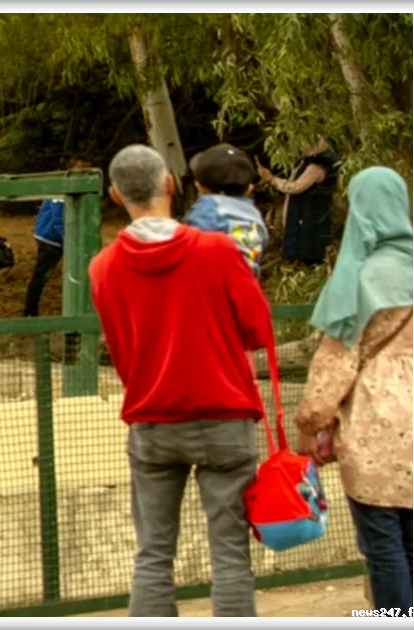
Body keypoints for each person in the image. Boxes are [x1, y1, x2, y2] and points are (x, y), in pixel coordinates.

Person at [90, 144, 276, 617]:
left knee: (153, 556)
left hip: (153, 418)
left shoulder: (103, 267)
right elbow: (257, 329)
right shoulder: (219, 252)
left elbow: (121, 352)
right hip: (226, 415)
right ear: (171, 182)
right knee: (231, 558)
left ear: (114, 195)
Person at [292, 166, 413, 611]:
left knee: (384, 545)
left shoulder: (359, 279)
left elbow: (335, 364)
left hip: (376, 422)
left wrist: (310, 424)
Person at [184, 143, 269, 277]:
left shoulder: (208, 209)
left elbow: (186, 250)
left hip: (214, 287)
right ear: (249, 189)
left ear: (200, 186)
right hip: (248, 287)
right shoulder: (254, 215)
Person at [23, 157, 93, 317]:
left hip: (56, 237)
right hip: (50, 238)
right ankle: (30, 312)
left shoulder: (76, 187)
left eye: (86, 170)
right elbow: (57, 219)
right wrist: (68, 241)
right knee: (41, 275)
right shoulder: (62, 188)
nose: (83, 173)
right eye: (80, 169)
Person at [257, 138, 343, 265]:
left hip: (310, 217)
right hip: (303, 216)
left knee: (308, 252)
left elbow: (295, 187)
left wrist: (272, 179)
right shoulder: (304, 164)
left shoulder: (316, 166)